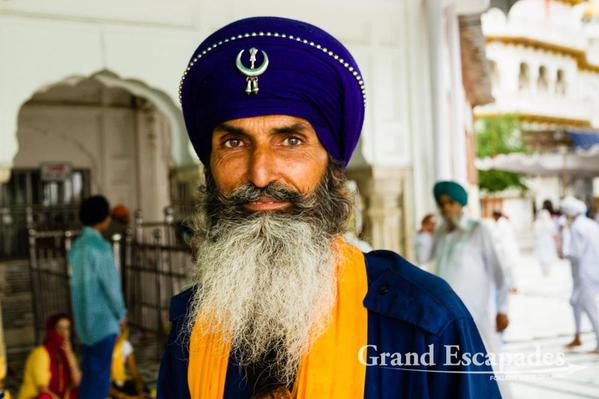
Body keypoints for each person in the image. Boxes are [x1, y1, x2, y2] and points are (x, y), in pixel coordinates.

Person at [157, 17, 501, 398]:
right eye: (234, 143)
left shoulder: (424, 323)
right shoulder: (192, 325)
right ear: (209, 168)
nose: (259, 174)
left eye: (290, 140)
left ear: (333, 168)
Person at [422, 182, 510, 353]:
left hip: (475, 312)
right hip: (445, 314)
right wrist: (424, 233)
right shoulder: (440, 232)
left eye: (451, 203)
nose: (446, 208)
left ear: (460, 204)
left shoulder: (478, 230)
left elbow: (499, 272)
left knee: (485, 363)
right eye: (442, 204)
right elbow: (424, 258)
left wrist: (503, 309)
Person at [68, 195, 127, 399]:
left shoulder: (76, 247)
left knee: (90, 375)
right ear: (103, 218)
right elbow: (111, 287)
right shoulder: (100, 247)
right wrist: (121, 314)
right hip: (103, 321)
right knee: (101, 377)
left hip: (84, 322)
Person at [560, 197, 599, 353]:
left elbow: (575, 253)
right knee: (575, 302)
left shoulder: (576, 227)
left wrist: (564, 252)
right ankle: (577, 336)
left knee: (590, 308)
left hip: (585, 274)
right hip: (592, 271)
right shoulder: (591, 224)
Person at [17, 314, 80, 399]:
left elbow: (77, 382)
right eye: (59, 328)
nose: (64, 333)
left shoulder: (66, 353)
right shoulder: (40, 353)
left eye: (67, 328)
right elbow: (43, 389)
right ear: (52, 330)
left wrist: (69, 354)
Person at [109, 323, 149, 399]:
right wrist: (123, 396)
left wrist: (140, 391)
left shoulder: (125, 346)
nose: (118, 334)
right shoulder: (102, 348)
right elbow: (100, 382)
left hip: (119, 383)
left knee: (144, 390)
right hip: (105, 386)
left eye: (121, 331)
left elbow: (135, 375)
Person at [491, 211, 518, 292]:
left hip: (505, 250)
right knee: (511, 269)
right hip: (509, 248)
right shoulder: (505, 222)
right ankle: (512, 286)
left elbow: (496, 236)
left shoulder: (501, 223)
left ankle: (512, 287)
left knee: (507, 269)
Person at [534, 209, 559, 276]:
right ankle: (546, 269)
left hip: (545, 241)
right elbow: (554, 233)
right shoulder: (549, 223)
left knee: (545, 254)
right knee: (545, 254)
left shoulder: (538, 223)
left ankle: (545, 269)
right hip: (545, 241)